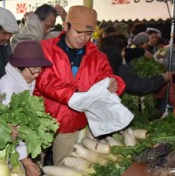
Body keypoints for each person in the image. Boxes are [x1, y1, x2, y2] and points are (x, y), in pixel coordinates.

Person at [34, 5, 126, 166]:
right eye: (78, 32)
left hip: (71, 122)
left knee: (63, 169)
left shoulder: (97, 56)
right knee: (33, 166)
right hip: (41, 119)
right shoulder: (45, 48)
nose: (83, 38)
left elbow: (107, 77)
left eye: (88, 34)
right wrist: (74, 94)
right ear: (65, 26)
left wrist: (115, 83)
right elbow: (45, 81)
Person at [0, 40, 52, 176]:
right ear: (20, 68)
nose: (37, 75)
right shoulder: (8, 86)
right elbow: (11, 129)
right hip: (6, 151)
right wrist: (27, 162)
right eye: (34, 71)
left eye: (40, 70)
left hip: (19, 148)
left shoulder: (26, 80)